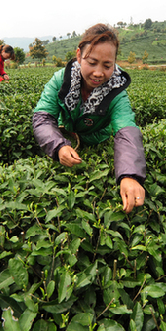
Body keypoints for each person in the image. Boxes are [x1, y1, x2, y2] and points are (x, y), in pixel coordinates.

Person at [32, 24, 146, 213]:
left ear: (115, 63)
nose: (99, 73)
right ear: (79, 55)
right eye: (92, 62)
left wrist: (130, 175)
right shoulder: (61, 80)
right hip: (67, 139)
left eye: (107, 65)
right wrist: (59, 146)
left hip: (97, 142)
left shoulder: (116, 92)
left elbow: (126, 130)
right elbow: (43, 117)